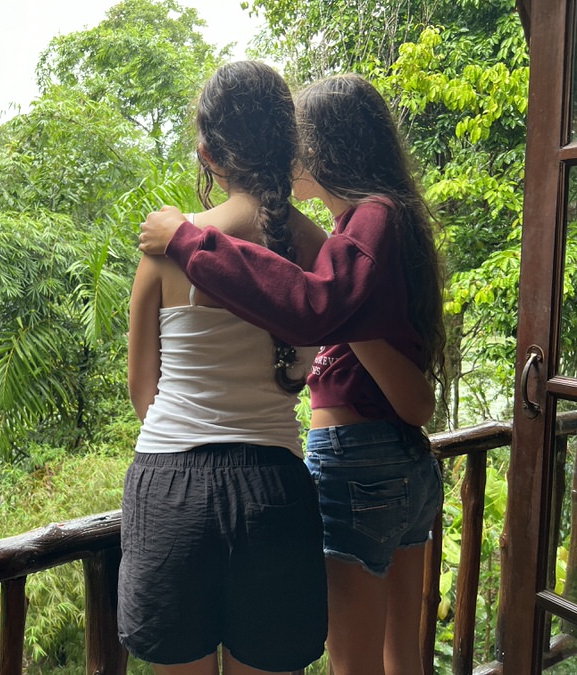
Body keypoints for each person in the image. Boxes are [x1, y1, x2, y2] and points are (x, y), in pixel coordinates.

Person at [138, 73, 446, 675]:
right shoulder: (350, 233)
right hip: (383, 467)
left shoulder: (369, 223)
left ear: (323, 147)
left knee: (355, 665)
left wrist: (188, 241)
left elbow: (312, 309)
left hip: (347, 464)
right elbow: (412, 397)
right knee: (404, 658)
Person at [119, 60, 329, 675]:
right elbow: (302, 371)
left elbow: (143, 394)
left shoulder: (165, 247)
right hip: (274, 492)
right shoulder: (319, 250)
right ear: (288, 146)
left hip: (169, 489)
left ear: (208, 154)